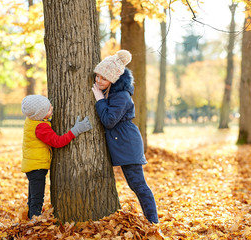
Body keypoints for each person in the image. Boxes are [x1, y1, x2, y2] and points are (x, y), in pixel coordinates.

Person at [91, 50, 159, 224]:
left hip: (127, 142)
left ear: (114, 79)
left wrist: (99, 100)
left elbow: (109, 121)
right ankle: (152, 220)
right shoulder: (112, 91)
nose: (98, 81)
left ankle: (153, 222)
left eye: (103, 78)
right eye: (97, 76)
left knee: (138, 185)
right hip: (120, 140)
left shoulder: (121, 95)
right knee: (136, 185)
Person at [21, 94, 92, 219]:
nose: (52, 108)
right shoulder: (41, 127)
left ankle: (29, 218)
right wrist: (76, 130)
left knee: (33, 197)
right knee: (37, 199)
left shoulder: (32, 121)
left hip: (32, 166)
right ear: (40, 115)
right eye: (49, 109)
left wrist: (46, 111)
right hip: (37, 168)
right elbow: (58, 142)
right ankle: (34, 222)